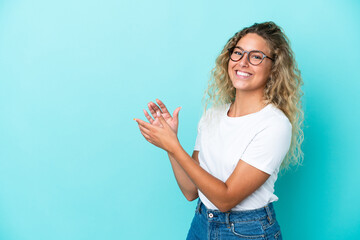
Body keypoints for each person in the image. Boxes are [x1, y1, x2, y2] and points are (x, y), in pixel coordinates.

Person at [134, 21, 303, 240]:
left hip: (247, 231)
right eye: (238, 53)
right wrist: (170, 143)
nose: (243, 62)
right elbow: (190, 191)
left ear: (274, 68)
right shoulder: (213, 115)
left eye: (256, 56)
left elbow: (225, 199)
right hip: (201, 222)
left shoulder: (274, 125)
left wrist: (174, 147)